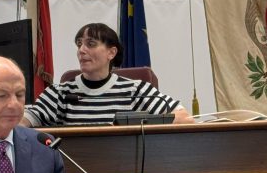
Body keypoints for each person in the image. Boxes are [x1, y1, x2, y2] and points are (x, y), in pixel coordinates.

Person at [22, 23, 194, 127]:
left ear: (111, 53)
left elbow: (184, 119)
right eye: (79, 44)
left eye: (90, 44)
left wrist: (129, 126)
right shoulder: (59, 93)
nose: (81, 50)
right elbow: (24, 122)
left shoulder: (136, 90)